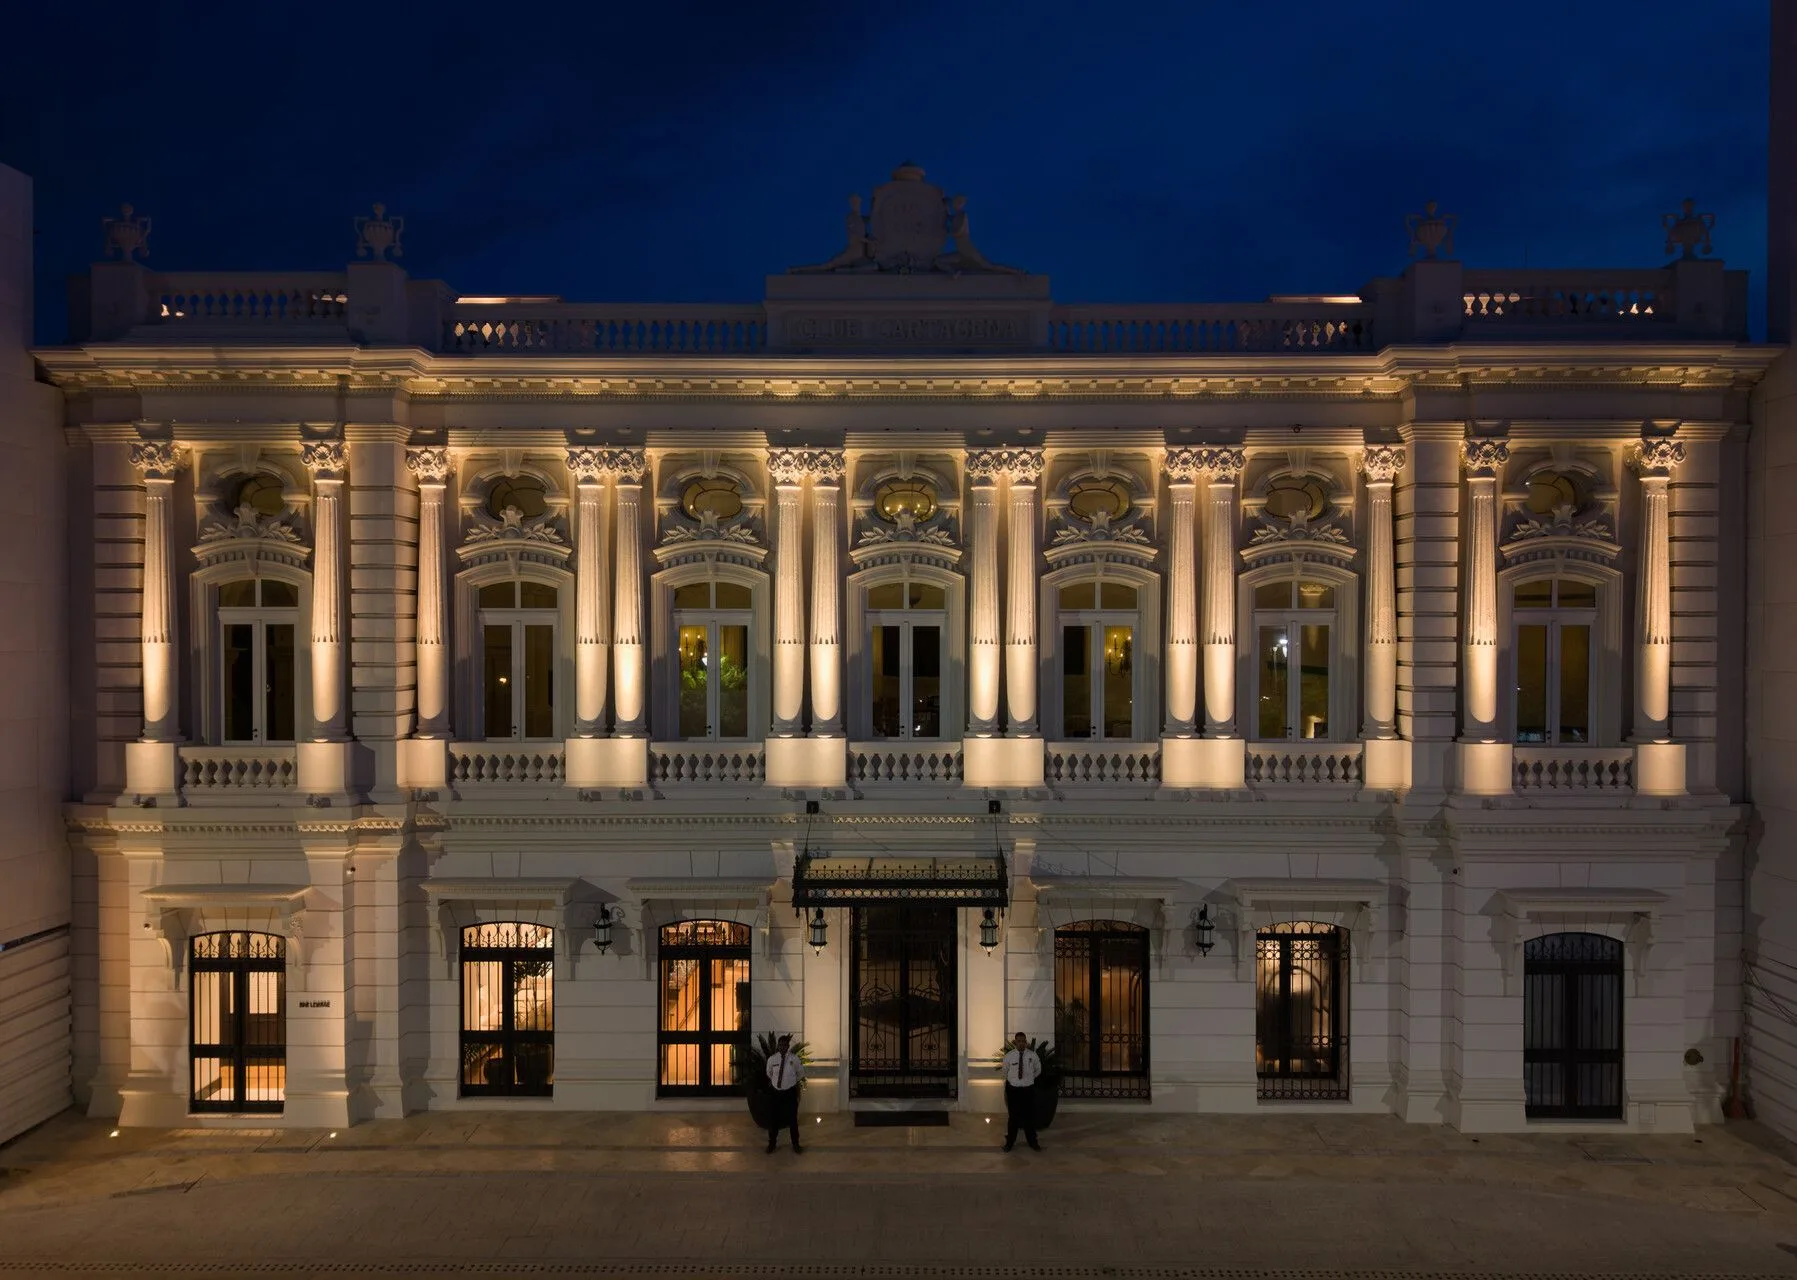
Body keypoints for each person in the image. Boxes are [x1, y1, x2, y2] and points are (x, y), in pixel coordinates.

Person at [1000, 1031, 1042, 1152]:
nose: (1021, 1043)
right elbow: (1005, 1071)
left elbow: (1038, 1070)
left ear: (1026, 1042)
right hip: (1014, 1091)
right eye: (1019, 1041)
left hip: (1028, 1090)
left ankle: (1033, 1142)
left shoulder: (1032, 1055)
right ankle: (1009, 1143)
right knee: (1013, 1118)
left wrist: (1029, 1079)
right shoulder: (1009, 1056)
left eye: (1023, 1041)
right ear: (1015, 1042)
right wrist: (1013, 1082)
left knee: (1029, 1117)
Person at [765, 1033, 804, 1154]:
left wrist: (791, 1082)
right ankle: (772, 1144)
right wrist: (777, 1084)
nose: (782, 1047)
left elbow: (800, 1073)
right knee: (773, 1119)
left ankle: (796, 1144)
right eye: (780, 1044)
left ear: (788, 1046)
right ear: (778, 1045)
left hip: (789, 1093)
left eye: (785, 1045)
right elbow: (769, 1073)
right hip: (775, 1094)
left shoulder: (794, 1059)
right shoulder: (772, 1059)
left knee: (792, 1120)